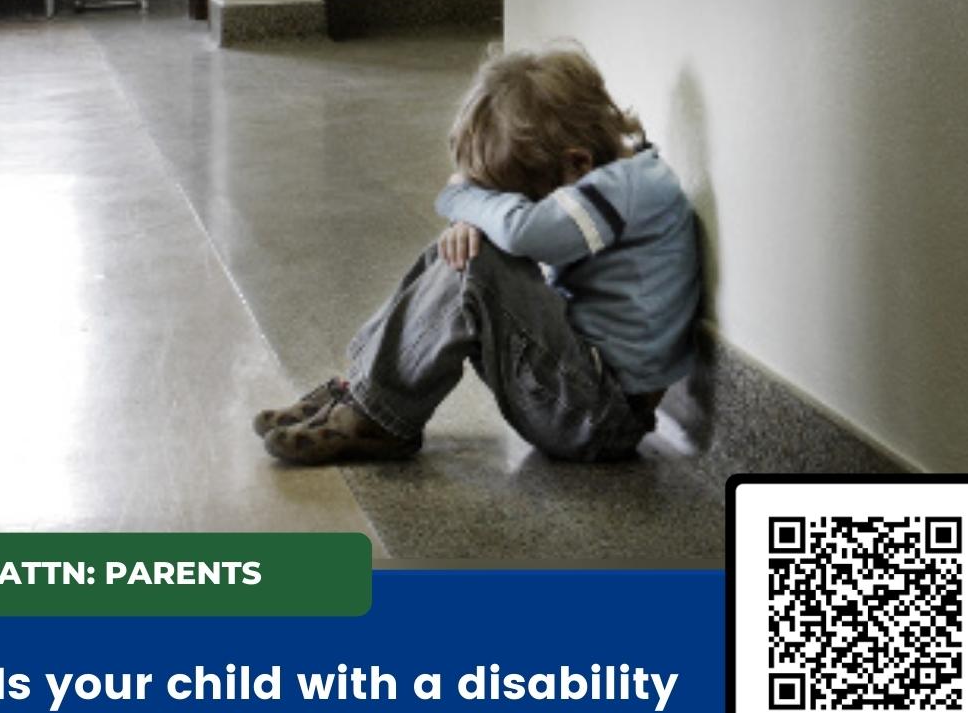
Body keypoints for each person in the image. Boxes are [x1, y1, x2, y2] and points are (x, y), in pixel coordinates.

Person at [253, 44, 701, 465]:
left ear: (578, 164)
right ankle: (363, 389)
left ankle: (377, 415)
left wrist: (459, 197)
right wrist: (474, 221)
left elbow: (525, 232)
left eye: (516, 196)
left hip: (601, 418)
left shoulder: (633, 188)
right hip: (581, 396)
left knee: (478, 257)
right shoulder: (620, 180)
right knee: (459, 248)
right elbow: (513, 227)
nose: (508, 204)